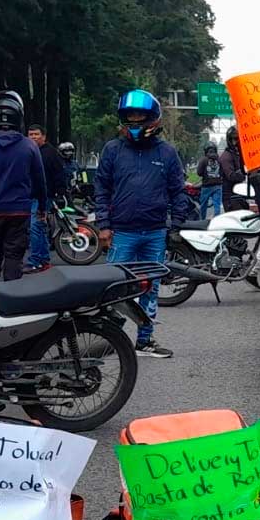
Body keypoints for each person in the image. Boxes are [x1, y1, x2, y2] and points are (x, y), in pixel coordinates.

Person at [95, 89, 188, 358]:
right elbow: (101, 187)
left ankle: (145, 340)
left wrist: (176, 225)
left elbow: (177, 190)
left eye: (141, 116)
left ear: (153, 119)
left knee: (151, 287)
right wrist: (103, 224)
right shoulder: (113, 150)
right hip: (121, 231)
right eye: (130, 116)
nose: (135, 121)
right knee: (113, 288)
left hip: (155, 232)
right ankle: (108, 337)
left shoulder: (167, 152)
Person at [0, 91, 46, 281]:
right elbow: (39, 180)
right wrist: (42, 206)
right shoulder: (29, 146)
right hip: (19, 210)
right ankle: (12, 299)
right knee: (14, 257)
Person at [24, 124, 67, 273]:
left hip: (44, 196)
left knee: (35, 227)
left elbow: (59, 174)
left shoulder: (50, 153)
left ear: (44, 136)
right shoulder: (27, 152)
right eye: (30, 134)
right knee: (39, 228)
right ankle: (43, 259)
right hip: (29, 195)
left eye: (36, 134)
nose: (33, 137)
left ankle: (35, 260)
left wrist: (60, 193)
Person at [219, 125, 248, 211]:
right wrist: (242, 174)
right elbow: (231, 175)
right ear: (229, 140)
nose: (236, 142)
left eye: (238, 139)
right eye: (234, 139)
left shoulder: (237, 154)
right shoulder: (226, 156)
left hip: (239, 194)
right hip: (230, 196)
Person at [196, 143, 223, 218]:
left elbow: (199, 173)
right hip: (218, 186)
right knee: (217, 205)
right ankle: (216, 221)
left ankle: (202, 220)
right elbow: (222, 172)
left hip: (206, 186)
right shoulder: (219, 159)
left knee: (203, 205)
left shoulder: (203, 160)